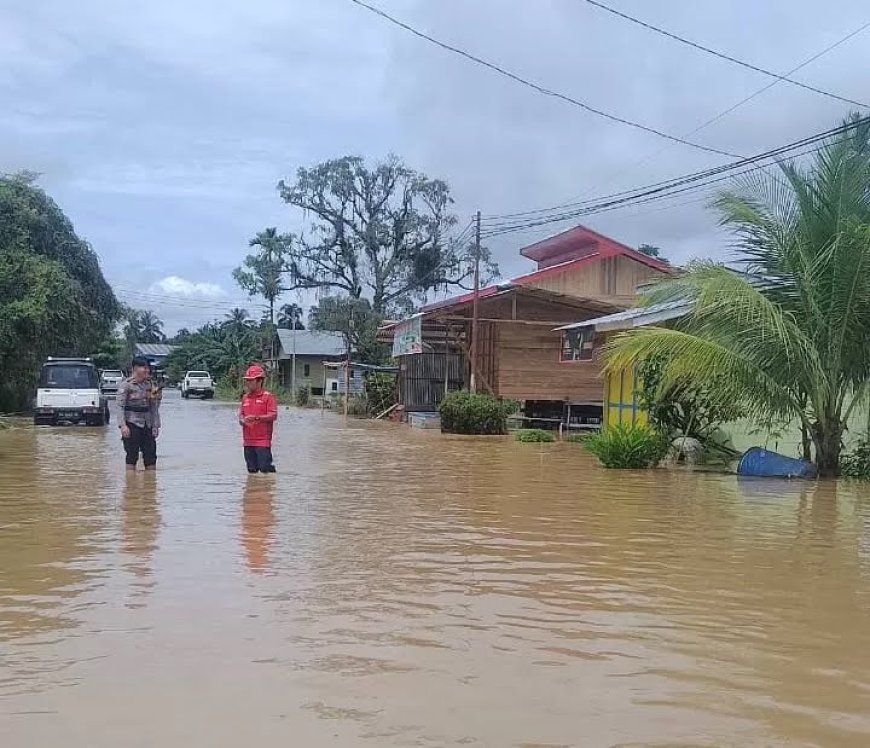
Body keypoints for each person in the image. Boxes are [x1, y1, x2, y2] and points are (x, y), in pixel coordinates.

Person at [115, 356, 161, 471]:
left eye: (147, 368)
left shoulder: (150, 385)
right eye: (143, 368)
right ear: (135, 369)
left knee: (151, 456)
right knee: (132, 455)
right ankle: (131, 484)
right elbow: (120, 407)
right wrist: (122, 425)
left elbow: (154, 407)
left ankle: (150, 484)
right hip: (131, 423)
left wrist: (155, 425)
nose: (146, 370)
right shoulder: (126, 385)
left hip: (147, 423)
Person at [239, 364, 278, 474]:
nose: (248, 383)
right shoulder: (245, 397)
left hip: (262, 441)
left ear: (259, 381)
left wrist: (256, 418)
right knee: (252, 472)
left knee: (265, 469)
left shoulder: (268, 397)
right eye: (247, 380)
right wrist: (242, 420)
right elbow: (241, 414)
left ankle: (270, 488)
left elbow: (273, 415)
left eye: (251, 380)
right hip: (248, 441)